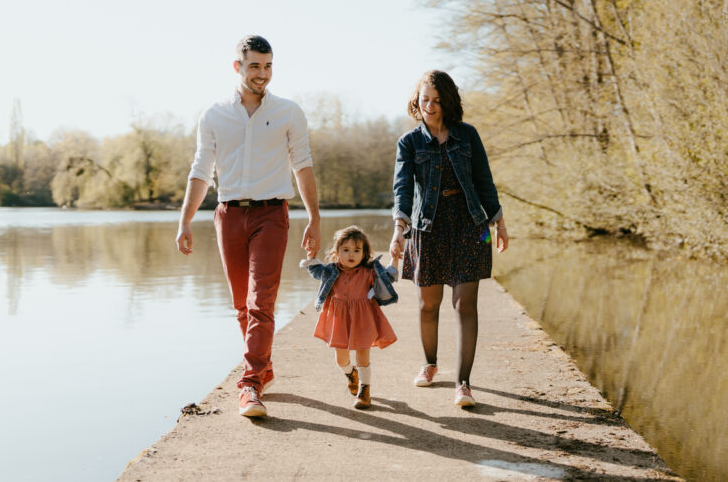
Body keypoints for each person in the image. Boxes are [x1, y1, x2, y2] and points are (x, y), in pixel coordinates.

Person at [175, 35, 321, 419]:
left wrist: (315, 218)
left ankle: (251, 383)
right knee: (242, 305)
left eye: (268, 65)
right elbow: (201, 170)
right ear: (238, 67)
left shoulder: (289, 112)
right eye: (255, 65)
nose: (263, 74)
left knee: (261, 302)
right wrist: (185, 219)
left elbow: (302, 163)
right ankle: (264, 367)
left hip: (271, 215)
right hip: (228, 215)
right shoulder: (214, 115)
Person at [389, 70, 509, 408]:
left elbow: (484, 180)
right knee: (429, 304)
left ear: (448, 102)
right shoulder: (409, 143)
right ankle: (430, 363)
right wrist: (399, 229)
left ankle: (463, 383)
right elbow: (402, 191)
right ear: (418, 100)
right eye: (425, 99)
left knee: (464, 304)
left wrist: (499, 221)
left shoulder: (468, 136)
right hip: (427, 228)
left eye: (437, 100)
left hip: (471, 226)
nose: (430, 105)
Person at [302, 225, 401, 409]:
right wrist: (310, 254)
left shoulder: (369, 271)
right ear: (337, 252)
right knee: (341, 359)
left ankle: (365, 389)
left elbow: (389, 278)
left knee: (363, 355)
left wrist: (394, 260)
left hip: (364, 318)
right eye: (346, 250)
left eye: (357, 250)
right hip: (339, 319)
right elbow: (315, 270)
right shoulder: (332, 271)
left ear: (364, 253)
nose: (351, 255)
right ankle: (350, 374)